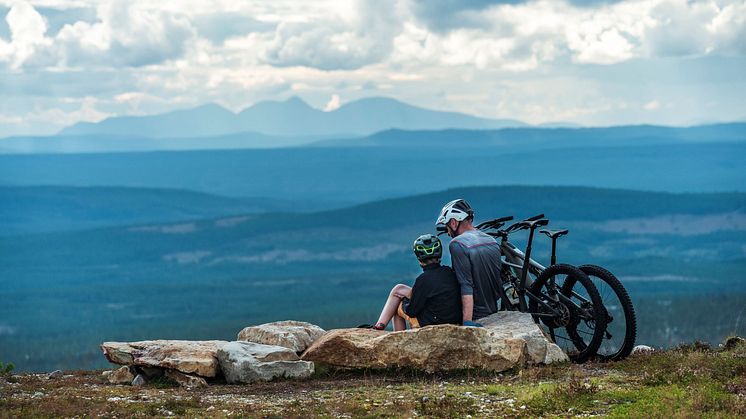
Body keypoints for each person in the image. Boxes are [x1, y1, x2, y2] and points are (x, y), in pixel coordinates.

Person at [363, 234, 462, 331]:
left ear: (419, 257)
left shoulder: (423, 280)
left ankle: (390, 333)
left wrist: (405, 304)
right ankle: (380, 324)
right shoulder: (449, 271)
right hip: (453, 319)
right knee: (399, 288)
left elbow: (412, 311)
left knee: (397, 308)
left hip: (433, 322)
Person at [436, 199, 504, 326]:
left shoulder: (457, 244)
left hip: (477, 314)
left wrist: (467, 321)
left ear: (453, 222)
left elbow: (466, 284)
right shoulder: (491, 240)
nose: (448, 232)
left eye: (447, 227)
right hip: (494, 309)